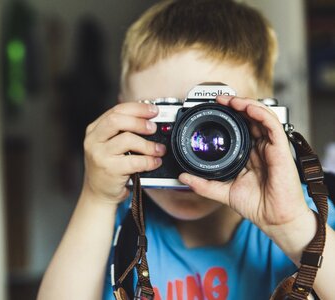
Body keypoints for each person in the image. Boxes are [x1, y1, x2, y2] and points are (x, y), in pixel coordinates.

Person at [37, 0, 335, 299]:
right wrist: (97, 197)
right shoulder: (117, 227)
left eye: (214, 120)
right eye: (166, 118)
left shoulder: (302, 215)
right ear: (121, 115)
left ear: (264, 118)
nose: (189, 152)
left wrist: (293, 228)